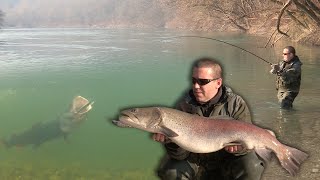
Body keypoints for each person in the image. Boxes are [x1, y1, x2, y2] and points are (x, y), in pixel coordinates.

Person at [152, 57, 264, 180]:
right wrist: (171, 142)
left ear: (218, 83)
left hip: (226, 160)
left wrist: (238, 149)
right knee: (171, 170)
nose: (196, 86)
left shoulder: (236, 104)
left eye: (203, 81)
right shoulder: (183, 105)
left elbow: (246, 145)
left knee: (252, 165)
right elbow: (179, 156)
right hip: (194, 160)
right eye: (193, 80)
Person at [1, 96, 94, 148]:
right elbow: (66, 123)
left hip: (52, 130)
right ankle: (10, 142)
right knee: (32, 136)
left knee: (32, 137)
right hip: (51, 129)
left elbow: (68, 125)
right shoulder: (70, 117)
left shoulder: (75, 118)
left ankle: (10, 142)